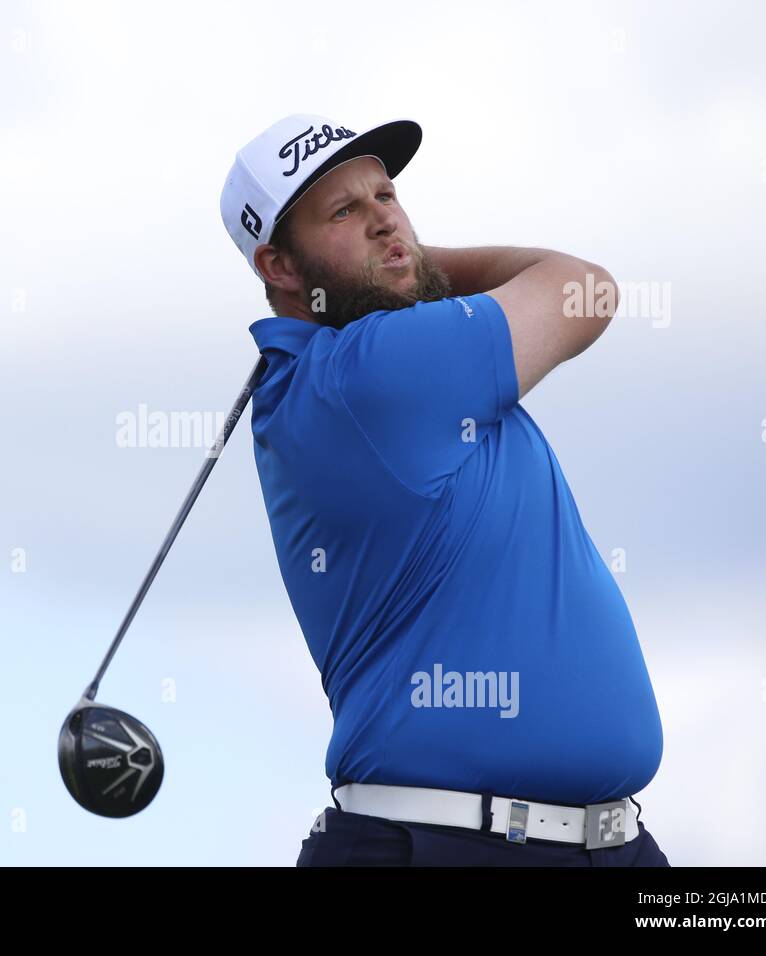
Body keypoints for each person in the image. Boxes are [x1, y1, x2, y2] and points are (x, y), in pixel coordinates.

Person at [218, 115, 669, 866]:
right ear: (282, 268)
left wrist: (395, 265)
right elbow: (584, 289)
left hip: (603, 845)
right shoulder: (368, 372)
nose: (385, 219)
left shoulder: (365, 369)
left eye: (386, 195)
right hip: (449, 845)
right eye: (344, 212)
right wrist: (415, 264)